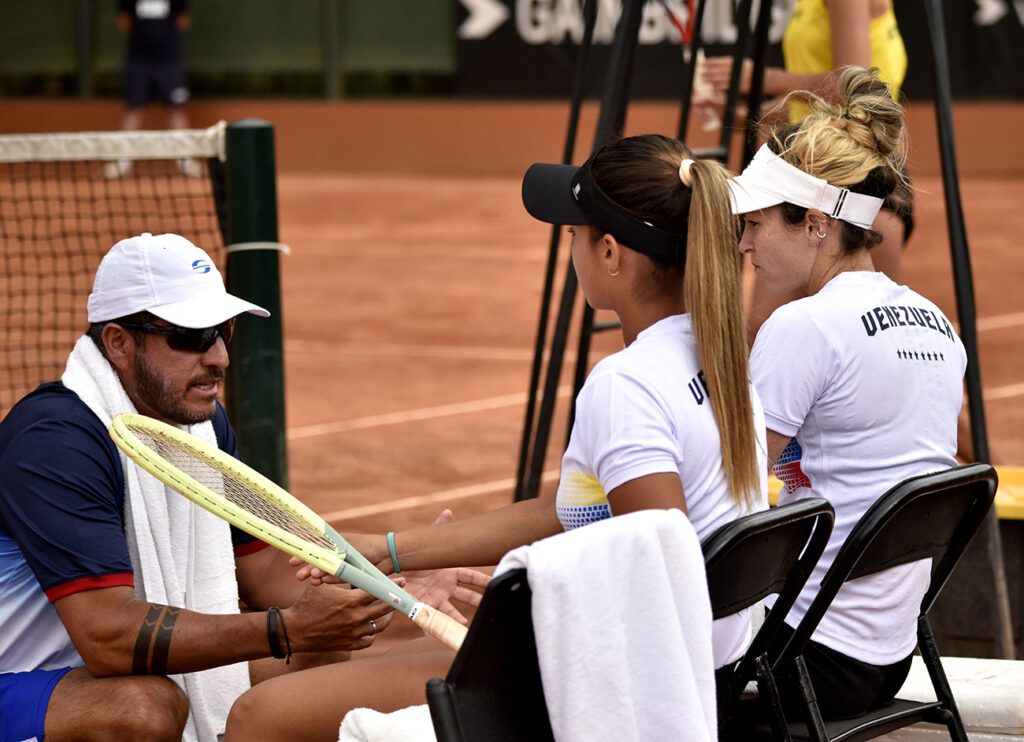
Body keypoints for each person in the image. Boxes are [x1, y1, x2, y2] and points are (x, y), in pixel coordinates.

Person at [226, 133, 770, 740]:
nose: (571, 246)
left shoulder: (628, 385)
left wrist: (529, 598)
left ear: (611, 253)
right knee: (349, 679)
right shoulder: (721, 357)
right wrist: (390, 548)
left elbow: (660, 568)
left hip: (622, 682)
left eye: (574, 233)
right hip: (699, 663)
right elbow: (575, 511)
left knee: (259, 716)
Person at [0, 232, 479, 742]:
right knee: (142, 709)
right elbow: (109, 638)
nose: (220, 357)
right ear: (119, 342)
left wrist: (380, 596)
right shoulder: (56, 442)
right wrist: (284, 629)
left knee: (319, 660)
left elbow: (264, 568)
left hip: (93, 675)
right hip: (21, 677)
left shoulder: (194, 423)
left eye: (223, 331)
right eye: (191, 337)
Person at [728, 66, 966, 719]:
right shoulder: (941, 326)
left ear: (814, 223)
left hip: (800, 659)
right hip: (883, 660)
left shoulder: (804, 328)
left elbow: (725, 493)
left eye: (754, 224)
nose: (744, 245)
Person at [698, 0, 911, 342]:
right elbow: (814, 113)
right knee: (778, 337)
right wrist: (738, 112)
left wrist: (763, 78)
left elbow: (853, 86)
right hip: (817, 175)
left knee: (862, 340)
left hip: (851, 179)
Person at [105, 0, 201, 178]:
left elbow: (183, 21)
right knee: (134, 109)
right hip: (139, 60)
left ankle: (186, 160)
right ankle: (122, 162)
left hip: (169, 60)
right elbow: (124, 22)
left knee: (176, 109)